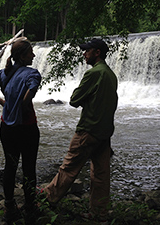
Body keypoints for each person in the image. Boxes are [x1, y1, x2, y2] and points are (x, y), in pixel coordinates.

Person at [42, 38, 118, 224]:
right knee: (100, 175)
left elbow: (75, 100)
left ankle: (46, 200)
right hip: (104, 132)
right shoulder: (110, 74)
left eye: (87, 50)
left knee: (69, 167)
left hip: (88, 130)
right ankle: (99, 214)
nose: (84, 53)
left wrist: (85, 99)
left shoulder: (94, 73)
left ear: (97, 52)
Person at [0, 37, 42, 224]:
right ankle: (30, 207)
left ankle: (9, 206)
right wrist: (21, 107)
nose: (34, 54)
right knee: (29, 167)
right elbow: (27, 99)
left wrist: (3, 102)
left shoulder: (4, 73)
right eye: (31, 52)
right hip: (27, 127)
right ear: (22, 56)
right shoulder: (33, 74)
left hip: (6, 127)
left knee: (10, 166)